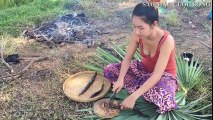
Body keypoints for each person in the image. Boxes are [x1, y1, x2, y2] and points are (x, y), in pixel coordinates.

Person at [103, 3, 179, 114]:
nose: (137, 31)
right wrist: (120, 79)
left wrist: (133, 97)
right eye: (134, 27)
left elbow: (157, 75)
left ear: (154, 24)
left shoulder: (167, 41)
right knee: (109, 70)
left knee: (164, 97)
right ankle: (139, 89)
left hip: (163, 77)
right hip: (142, 70)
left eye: (141, 28)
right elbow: (128, 58)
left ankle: (136, 90)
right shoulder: (137, 34)